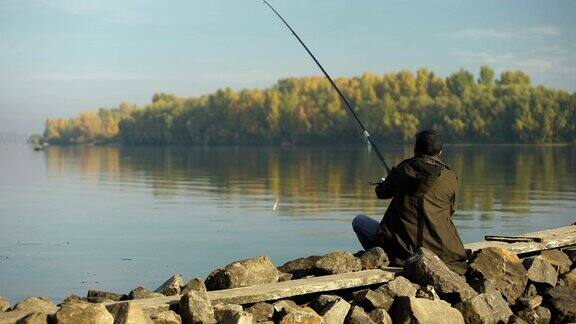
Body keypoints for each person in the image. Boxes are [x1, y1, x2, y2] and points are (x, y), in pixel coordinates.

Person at [352, 129, 467, 274]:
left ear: (415, 149)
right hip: (440, 253)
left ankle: (381, 258)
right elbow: (451, 211)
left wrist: (389, 181)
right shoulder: (450, 177)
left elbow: (381, 192)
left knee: (358, 221)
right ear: (440, 152)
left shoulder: (402, 170)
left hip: (400, 252)